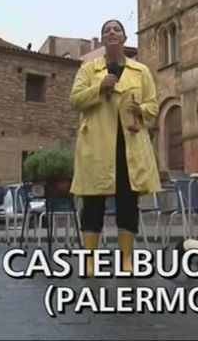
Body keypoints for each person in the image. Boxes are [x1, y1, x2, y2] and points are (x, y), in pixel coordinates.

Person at [69, 18, 161, 276]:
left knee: (128, 203)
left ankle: (126, 259)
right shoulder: (89, 69)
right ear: (102, 39)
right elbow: (75, 100)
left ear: (124, 38)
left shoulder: (141, 71)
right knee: (93, 203)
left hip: (129, 145)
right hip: (96, 145)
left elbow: (153, 105)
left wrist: (140, 109)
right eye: (107, 30)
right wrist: (99, 88)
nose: (111, 32)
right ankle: (90, 260)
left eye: (116, 29)